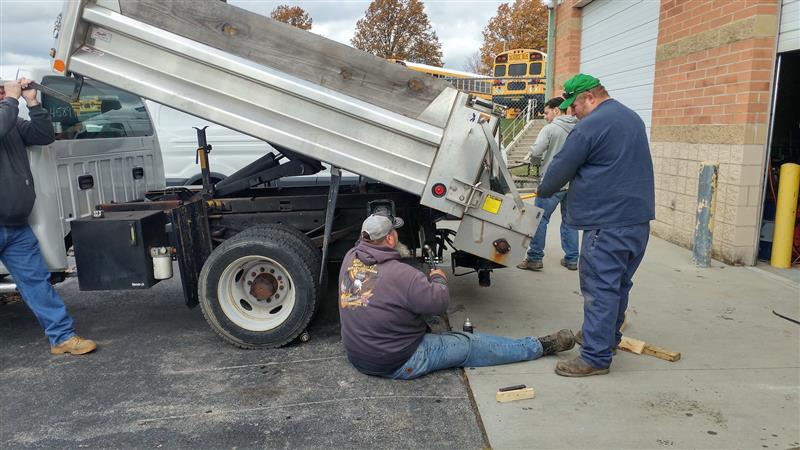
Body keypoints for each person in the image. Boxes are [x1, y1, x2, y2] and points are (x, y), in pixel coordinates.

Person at [338, 213, 575, 379]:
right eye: (395, 232)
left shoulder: (351, 257)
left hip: (360, 357)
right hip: (399, 362)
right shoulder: (402, 274)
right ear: (390, 238)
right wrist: (438, 277)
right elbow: (439, 302)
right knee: (468, 344)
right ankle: (538, 346)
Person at [536, 74, 654, 377]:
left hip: (607, 224)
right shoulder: (631, 118)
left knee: (599, 289)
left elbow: (561, 167)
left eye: (574, 105)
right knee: (618, 284)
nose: (571, 113)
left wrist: (543, 189)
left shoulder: (591, 125)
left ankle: (594, 357)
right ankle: (607, 339)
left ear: (589, 97)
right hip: (637, 221)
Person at [0, 78, 97, 355]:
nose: (5, 94)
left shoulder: (11, 121)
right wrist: (11, 99)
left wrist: (32, 103)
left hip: (16, 225)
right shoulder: (4, 118)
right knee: (34, 282)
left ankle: (63, 338)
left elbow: (43, 136)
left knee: (36, 283)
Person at [517, 96, 579, 272]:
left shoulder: (550, 129)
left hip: (551, 182)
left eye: (546, 112)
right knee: (569, 221)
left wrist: (536, 160)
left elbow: (536, 151)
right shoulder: (578, 127)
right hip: (573, 183)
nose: (545, 116)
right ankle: (572, 259)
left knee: (540, 220)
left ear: (556, 110)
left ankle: (534, 258)